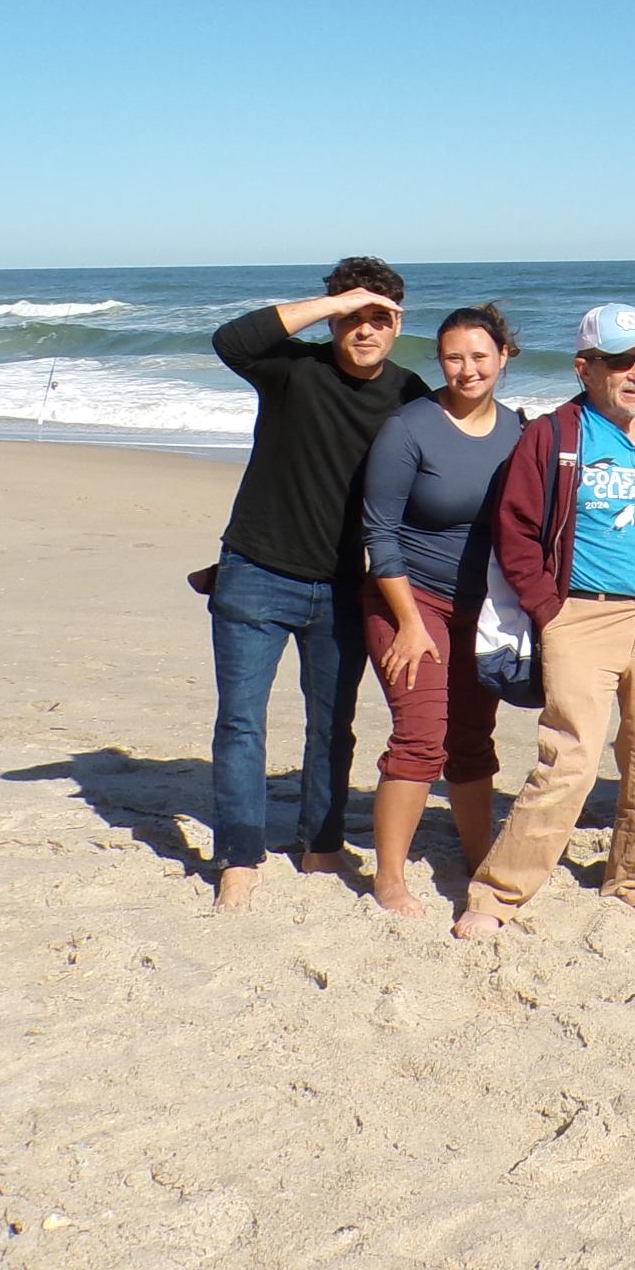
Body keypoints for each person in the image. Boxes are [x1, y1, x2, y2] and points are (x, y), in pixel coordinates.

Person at [453, 305, 635, 935]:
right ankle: (497, 896)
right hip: (581, 617)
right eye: (620, 361)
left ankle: (633, 880)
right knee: (568, 758)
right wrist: (549, 609)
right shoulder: (552, 437)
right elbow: (515, 531)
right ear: (586, 368)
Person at [204, 258, 432, 911]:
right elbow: (232, 339)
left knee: (333, 725)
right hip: (256, 571)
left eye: (378, 317)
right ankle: (240, 857)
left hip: (344, 587)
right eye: (350, 315)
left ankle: (323, 844)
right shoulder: (291, 370)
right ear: (332, 316)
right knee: (241, 722)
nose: (364, 329)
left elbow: (454, 456)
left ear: (397, 325)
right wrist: (337, 302)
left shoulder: (410, 396)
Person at [357, 304, 525, 917]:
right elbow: (378, 532)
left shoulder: (519, 429)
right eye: (454, 356)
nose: (467, 368)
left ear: (503, 357)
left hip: (483, 610)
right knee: (421, 738)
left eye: (479, 356)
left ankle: (479, 857)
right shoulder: (409, 428)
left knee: (473, 740)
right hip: (408, 599)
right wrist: (406, 621)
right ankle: (390, 879)